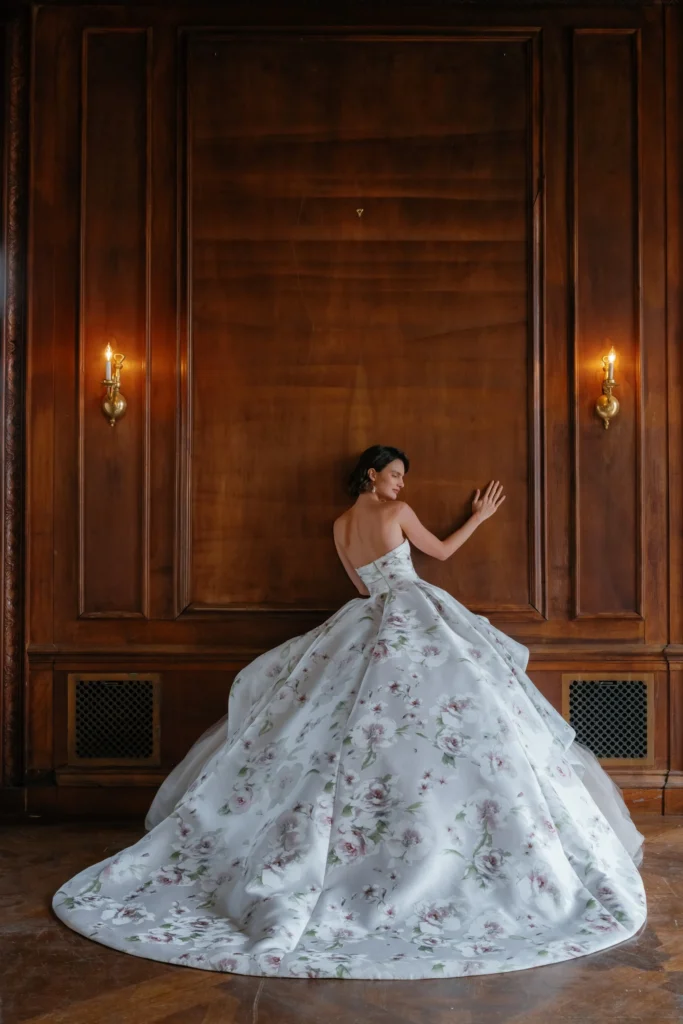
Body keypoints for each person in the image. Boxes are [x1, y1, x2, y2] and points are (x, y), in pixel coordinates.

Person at [52, 444, 646, 980]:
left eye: (402, 479)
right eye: (394, 476)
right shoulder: (395, 516)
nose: (401, 487)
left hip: (364, 619)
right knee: (452, 720)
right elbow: (437, 552)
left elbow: (363, 591)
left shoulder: (340, 525)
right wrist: (480, 518)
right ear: (372, 474)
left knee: (326, 727)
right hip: (412, 608)